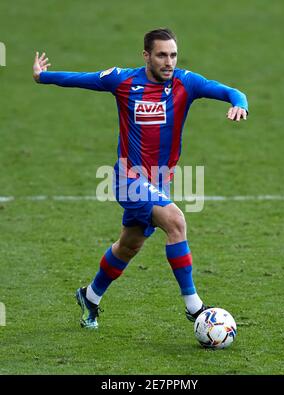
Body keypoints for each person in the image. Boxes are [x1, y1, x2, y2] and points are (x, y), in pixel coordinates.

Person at [33, 28, 248, 330]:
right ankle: (194, 307)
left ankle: (90, 298)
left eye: (173, 55)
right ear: (146, 55)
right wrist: (43, 76)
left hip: (159, 182)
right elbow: (81, 78)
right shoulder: (123, 81)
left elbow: (230, 91)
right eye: (161, 55)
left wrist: (240, 104)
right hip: (127, 178)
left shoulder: (186, 83)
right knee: (175, 220)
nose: (168, 61)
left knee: (128, 246)